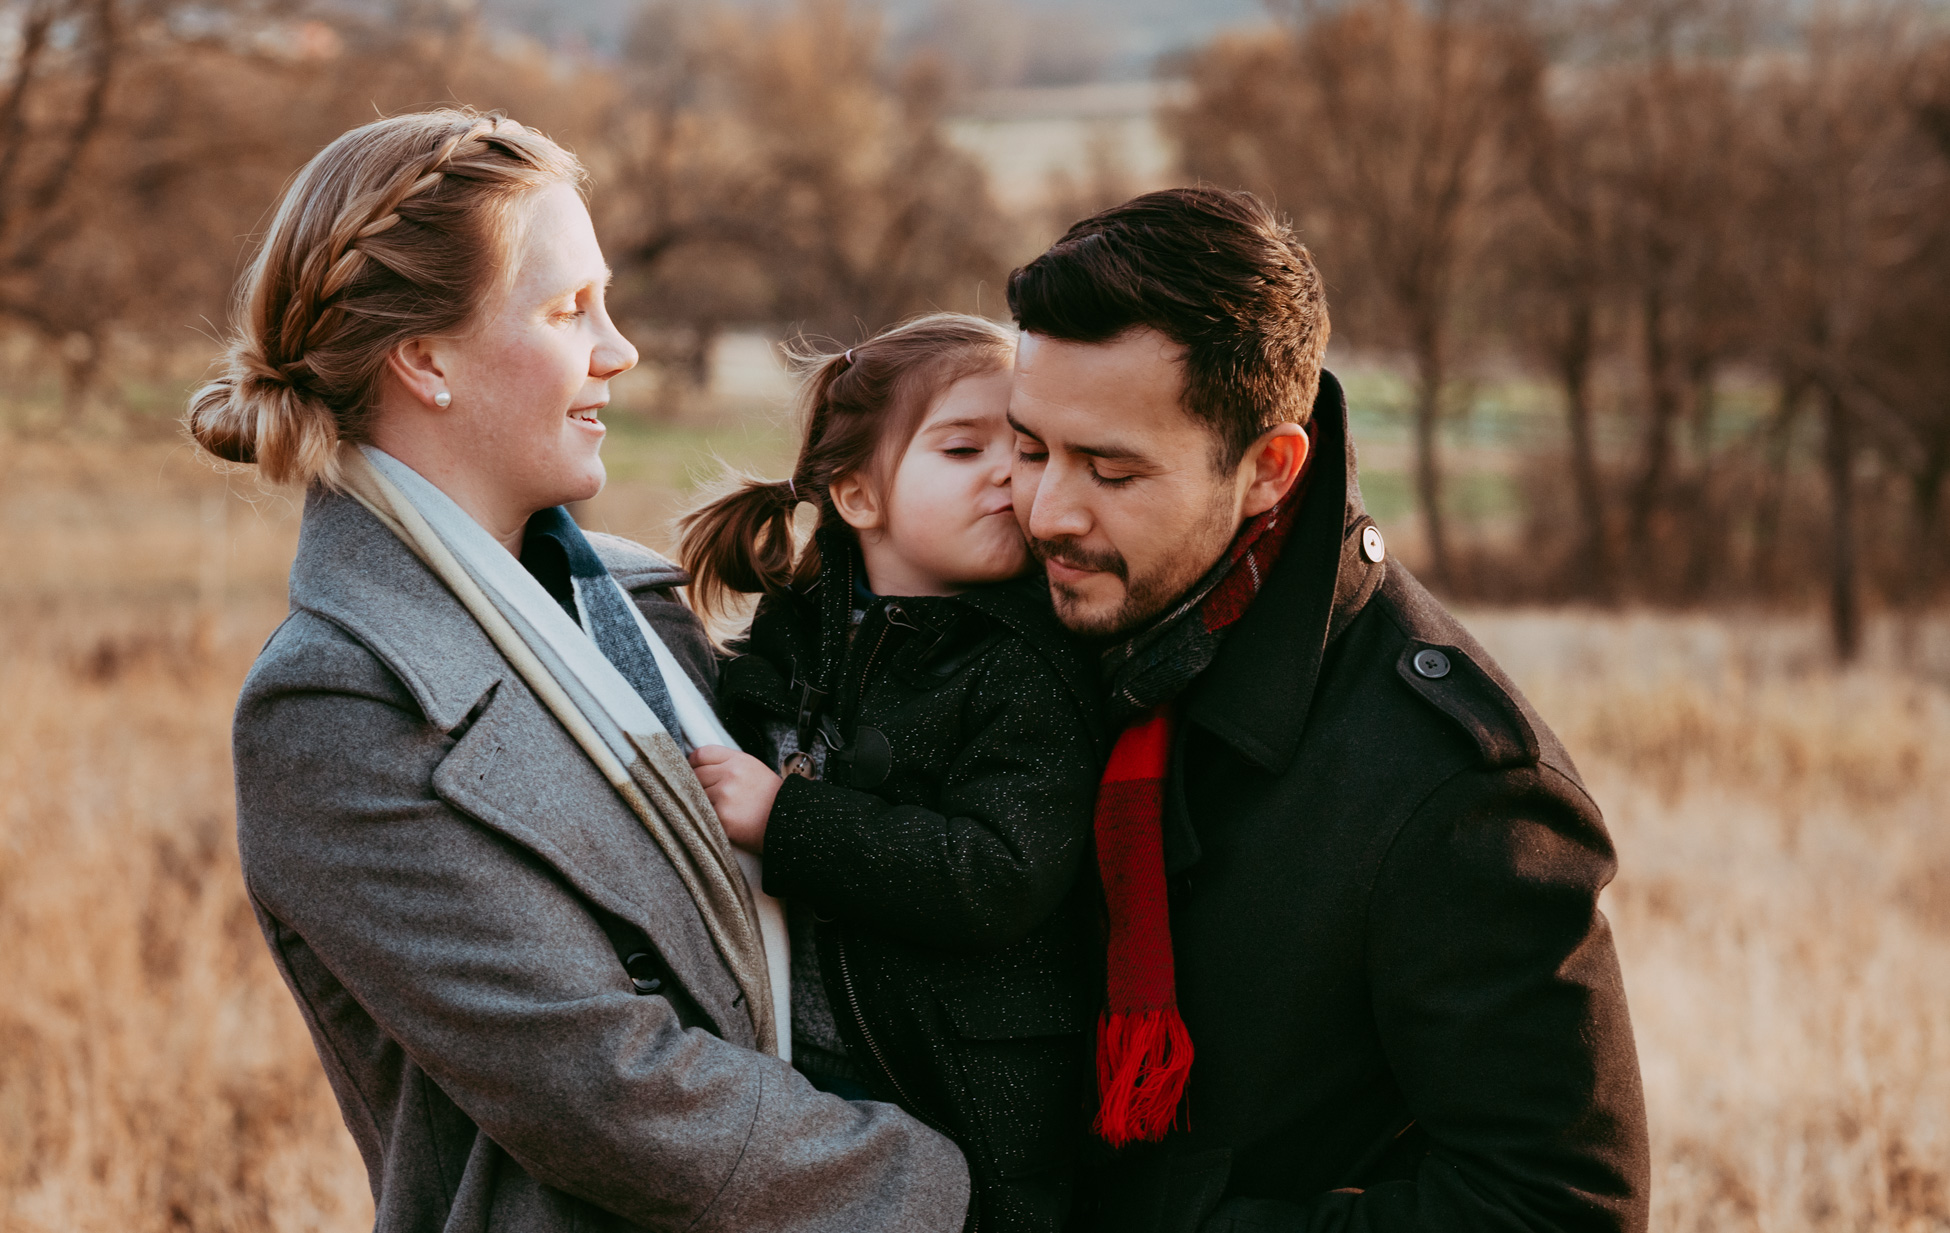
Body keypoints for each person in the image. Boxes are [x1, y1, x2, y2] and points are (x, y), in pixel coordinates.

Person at [185, 109, 968, 1232]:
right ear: (424, 360)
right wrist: (945, 1188)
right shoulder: (340, 703)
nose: (620, 347)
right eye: (568, 311)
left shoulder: (640, 605)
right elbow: (611, 1093)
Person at [1002, 187, 1651, 1233]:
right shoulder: (1033, 608)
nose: (1046, 512)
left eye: (1111, 470)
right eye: (1030, 448)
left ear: (1268, 468)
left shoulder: (1457, 785)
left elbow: (1560, 1209)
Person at [677, 314, 1106, 1233]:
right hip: (808, 1076)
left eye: (1024, 449)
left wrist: (788, 820)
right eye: (964, 448)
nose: (1008, 472)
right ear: (859, 496)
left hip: (976, 1109)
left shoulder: (1030, 663)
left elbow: (997, 871)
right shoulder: (797, 633)